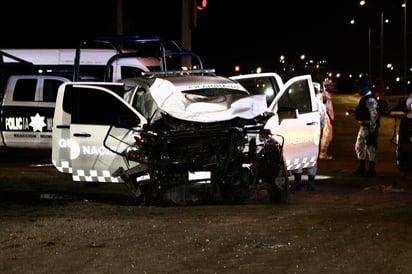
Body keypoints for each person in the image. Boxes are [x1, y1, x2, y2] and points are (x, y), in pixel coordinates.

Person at [290, 82, 326, 191]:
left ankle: (297, 182)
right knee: (313, 156)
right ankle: (311, 182)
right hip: (314, 132)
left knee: (299, 155)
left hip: (301, 132)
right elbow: (323, 121)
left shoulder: (300, 102)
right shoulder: (319, 104)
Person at [353, 78, 380, 176]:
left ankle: (371, 169)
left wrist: (373, 129)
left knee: (371, 147)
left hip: (369, 126)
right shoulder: (365, 97)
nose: (358, 88)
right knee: (359, 146)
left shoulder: (370, 99)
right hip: (363, 126)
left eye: (360, 86)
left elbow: (374, 115)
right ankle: (362, 166)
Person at [319, 78, 335, 160]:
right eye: (331, 85)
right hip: (327, 118)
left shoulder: (327, 94)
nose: (332, 87)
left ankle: (323, 152)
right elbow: (325, 109)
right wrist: (330, 118)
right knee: (327, 136)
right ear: (327, 86)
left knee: (329, 136)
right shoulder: (325, 95)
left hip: (328, 118)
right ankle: (323, 153)